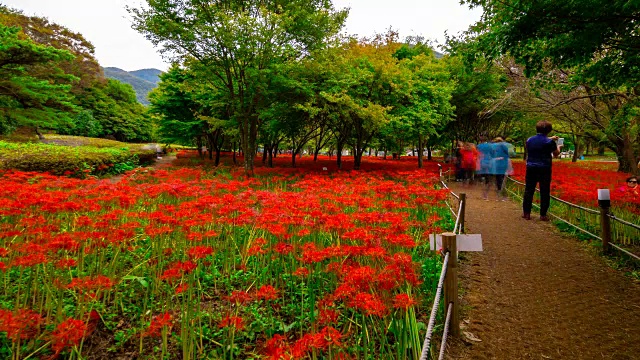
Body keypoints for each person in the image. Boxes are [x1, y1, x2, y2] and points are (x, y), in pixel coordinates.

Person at [522, 121, 562, 221]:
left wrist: (550, 138)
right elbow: (556, 154)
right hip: (544, 168)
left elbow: (538, 141)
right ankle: (543, 215)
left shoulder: (529, 140)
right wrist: (559, 147)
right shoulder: (549, 142)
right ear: (549, 130)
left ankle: (526, 213)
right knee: (544, 191)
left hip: (531, 167)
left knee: (529, 190)